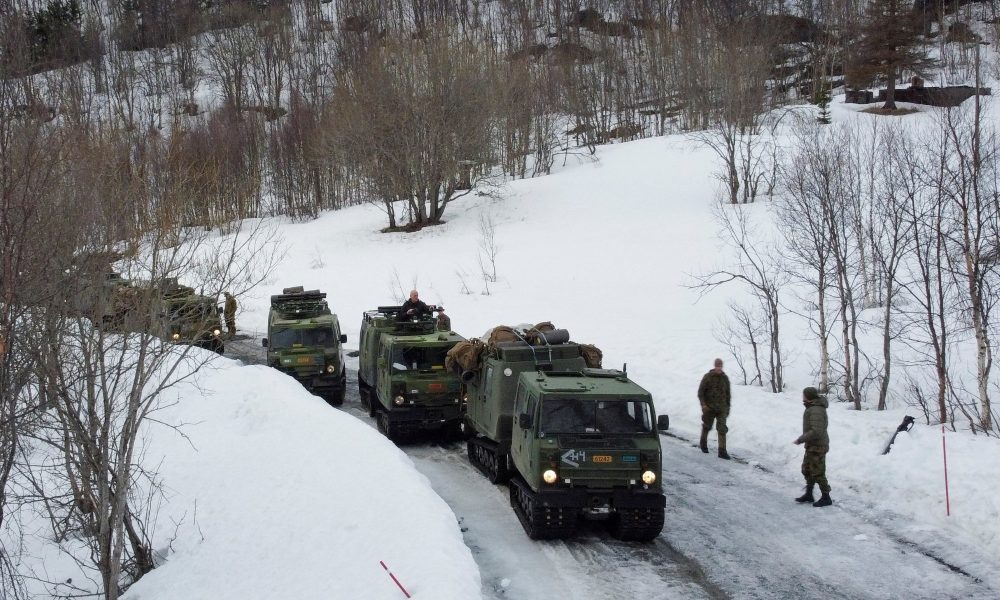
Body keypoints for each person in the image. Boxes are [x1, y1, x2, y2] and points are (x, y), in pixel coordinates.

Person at [794, 387, 832, 507]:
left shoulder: (816, 410)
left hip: (818, 446)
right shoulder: (812, 407)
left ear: (808, 396)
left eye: (804, 395)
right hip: (812, 445)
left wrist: (801, 439)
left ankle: (826, 497)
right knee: (807, 470)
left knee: (818, 472)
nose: (802, 397)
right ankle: (809, 494)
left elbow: (817, 431)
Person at [697, 358, 731, 459]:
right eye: (717, 366)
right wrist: (704, 405)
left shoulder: (725, 379)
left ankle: (722, 451)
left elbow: (728, 394)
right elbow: (700, 393)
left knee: (722, 429)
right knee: (707, 426)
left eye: (720, 366)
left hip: (722, 409)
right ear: (714, 366)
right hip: (709, 408)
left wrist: (727, 407)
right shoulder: (708, 377)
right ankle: (703, 443)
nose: (719, 368)